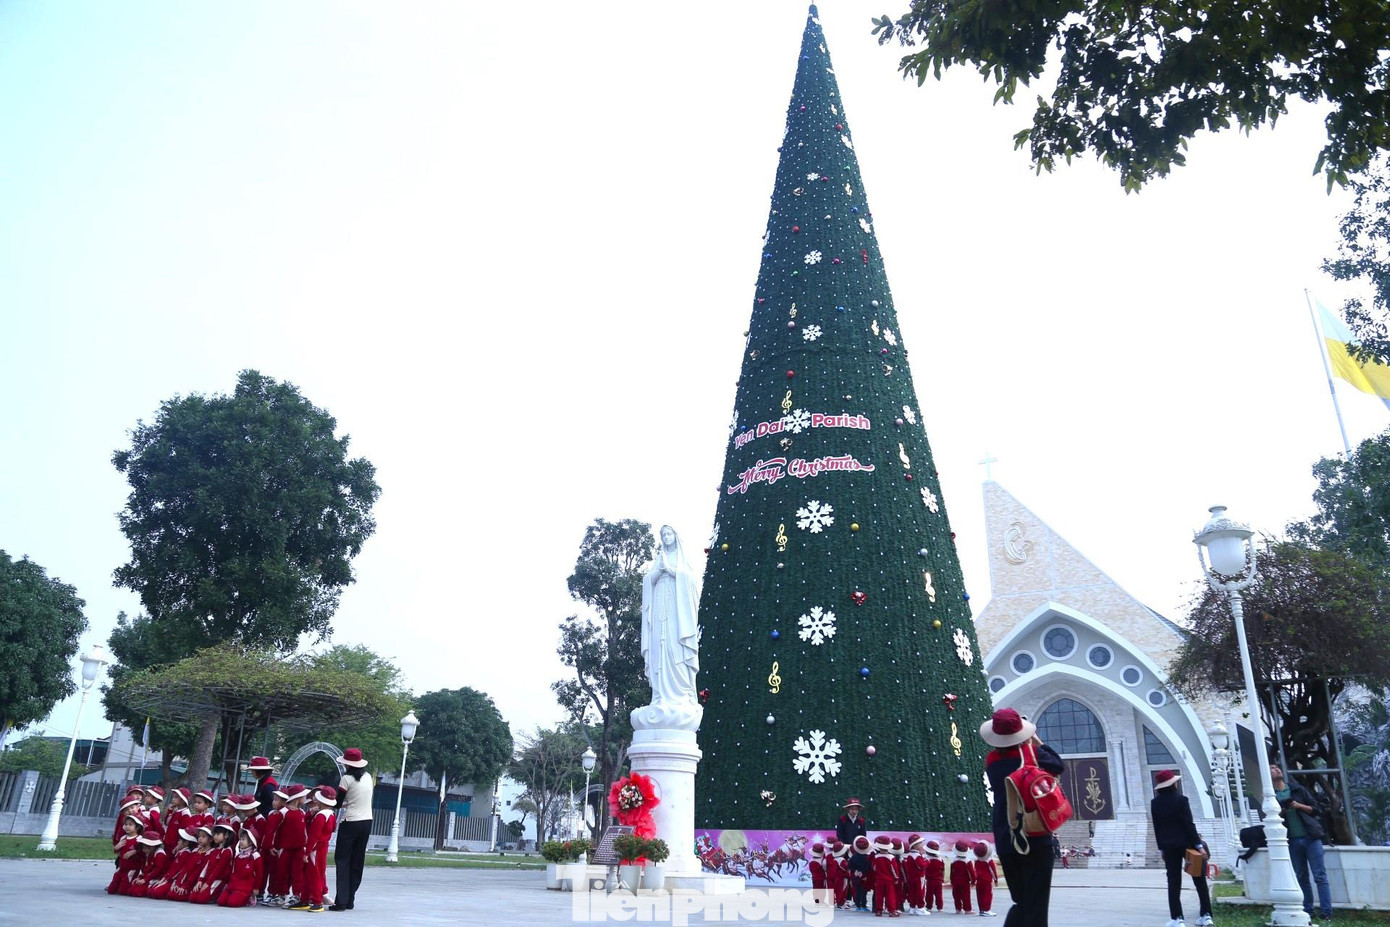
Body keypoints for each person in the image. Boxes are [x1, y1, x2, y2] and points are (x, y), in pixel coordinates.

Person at [982, 707, 1066, 927]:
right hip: (1034, 834)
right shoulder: (1034, 755)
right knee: (1037, 903)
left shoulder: (991, 761)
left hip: (1005, 834)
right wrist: (1036, 742)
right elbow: (1058, 764)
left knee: (1021, 900)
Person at [640, 525, 702, 704]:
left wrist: (672, 571)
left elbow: (691, 582)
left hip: (677, 608)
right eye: (663, 535)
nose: (666, 537)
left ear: (675, 535)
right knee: (659, 645)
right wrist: (660, 570)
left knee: (675, 644)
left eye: (669, 534)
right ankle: (660, 695)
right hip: (659, 602)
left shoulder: (683, 558)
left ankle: (682, 694)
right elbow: (648, 581)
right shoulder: (660, 558)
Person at [1271, 764, 1333, 922]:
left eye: (1277, 767)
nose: (1276, 769)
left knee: (1320, 875)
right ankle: (1308, 910)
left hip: (1311, 837)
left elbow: (1316, 809)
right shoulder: (1270, 797)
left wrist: (1298, 805)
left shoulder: (1297, 790)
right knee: (1301, 877)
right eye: (1272, 768)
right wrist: (1282, 811)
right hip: (1291, 840)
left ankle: (1326, 912)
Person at [1150, 769, 1211, 927]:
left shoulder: (1155, 803)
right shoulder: (1181, 800)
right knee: (1199, 879)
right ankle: (1206, 915)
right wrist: (1199, 845)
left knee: (1173, 881)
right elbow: (1188, 824)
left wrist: (1161, 849)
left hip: (1169, 846)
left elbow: (1157, 828)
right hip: (1188, 844)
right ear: (1173, 784)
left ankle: (1177, 918)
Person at [333, 747, 375, 911]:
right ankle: (350, 899)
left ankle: (341, 901)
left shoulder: (346, 779)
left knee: (342, 861)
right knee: (357, 862)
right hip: (366, 822)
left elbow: (337, 803)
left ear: (347, 764)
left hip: (350, 822)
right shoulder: (368, 777)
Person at [293, 785, 337, 913]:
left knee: (314, 875)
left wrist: (307, 852)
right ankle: (305, 899)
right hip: (322, 848)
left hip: (315, 849)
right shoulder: (331, 814)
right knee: (311, 874)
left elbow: (314, 836)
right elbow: (332, 829)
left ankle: (317, 902)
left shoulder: (320, 816)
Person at [836, 797, 871, 910]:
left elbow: (863, 836)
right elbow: (839, 835)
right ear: (848, 809)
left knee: (857, 876)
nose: (854, 811)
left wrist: (858, 848)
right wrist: (844, 847)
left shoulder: (861, 821)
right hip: (845, 850)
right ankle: (847, 899)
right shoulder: (842, 820)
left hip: (857, 851)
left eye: (856, 809)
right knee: (847, 875)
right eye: (852, 809)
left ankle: (858, 900)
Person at [219, 828, 265, 907]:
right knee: (221, 901)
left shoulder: (255, 856)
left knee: (232, 903)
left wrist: (256, 888)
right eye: (240, 839)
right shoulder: (238, 855)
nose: (240, 841)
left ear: (251, 841)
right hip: (233, 886)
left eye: (243, 839)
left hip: (244, 888)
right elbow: (233, 872)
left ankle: (248, 898)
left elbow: (259, 874)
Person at [972, 841, 1000, 918]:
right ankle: (986, 910)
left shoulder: (976, 860)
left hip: (979, 881)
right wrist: (996, 880)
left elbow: (975, 870)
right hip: (987, 881)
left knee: (980, 895)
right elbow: (993, 871)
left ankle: (981, 910)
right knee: (987, 895)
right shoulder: (989, 861)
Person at [950, 840, 974, 914]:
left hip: (955, 881)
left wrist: (952, 881)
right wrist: (973, 881)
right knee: (966, 895)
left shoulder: (953, 861)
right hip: (965, 882)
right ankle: (968, 909)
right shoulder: (967, 861)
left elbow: (952, 872)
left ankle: (958, 909)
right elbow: (972, 873)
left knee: (956, 895)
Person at [923, 839, 946, 913]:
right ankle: (940, 907)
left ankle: (929, 907)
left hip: (930, 880)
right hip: (938, 879)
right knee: (939, 894)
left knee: (929, 894)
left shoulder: (926, 859)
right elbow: (942, 870)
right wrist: (942, 878)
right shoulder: (940, 859)